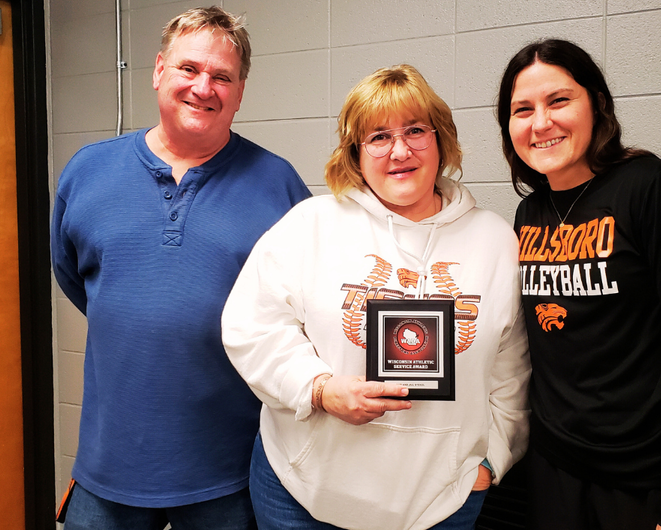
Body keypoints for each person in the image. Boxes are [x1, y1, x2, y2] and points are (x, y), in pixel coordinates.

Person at [220, 65, 530, 530]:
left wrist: (490, 462)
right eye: (379, 137)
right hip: (302, 490)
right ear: (355, 154)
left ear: (441, 139)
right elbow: (252, 326)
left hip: (439, 501)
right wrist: (319, 389)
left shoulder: (494, 240)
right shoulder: (312, 224)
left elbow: (513, 369)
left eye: (415, 131)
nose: (400, 150)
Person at [51, 6, 311, 529]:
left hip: (230, 472)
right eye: (189, 69)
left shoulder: (278, 184)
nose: (203, 87)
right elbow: (76, 279)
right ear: (158, 71)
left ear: (239, 92)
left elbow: (305, 309)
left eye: (222, 77)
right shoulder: (88, 170)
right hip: (110, 468)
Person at [496, 39, 661, 530]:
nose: (540, 122)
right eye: (522, 109)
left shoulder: (655, 189)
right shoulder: (531, 213)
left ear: (597, 104)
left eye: (559, 101)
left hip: (649, 483)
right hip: (558, 476)